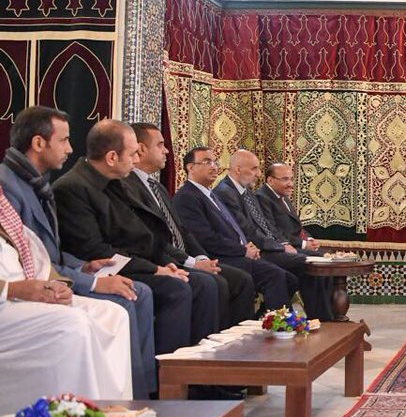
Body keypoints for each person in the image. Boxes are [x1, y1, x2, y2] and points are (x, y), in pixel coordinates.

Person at [0, 106, 157, 398]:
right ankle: (82, 409)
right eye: (64, 140)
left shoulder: (32, 183)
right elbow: (27, 261)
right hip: (20, 289)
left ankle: (123, 401)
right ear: (38, 143)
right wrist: (90, 282)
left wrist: (85, 268)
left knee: (117, 311)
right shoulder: (9, 186)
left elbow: (45, 253)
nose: (71, 149)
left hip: (46, 276)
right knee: (105, 309)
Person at [53, 120, 219, 357]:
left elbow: (143, 234)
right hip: (102, 269)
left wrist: (163, 264)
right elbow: (94, 249)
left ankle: (198, 370)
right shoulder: (72, 188)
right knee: (176, 289)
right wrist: (155, 270)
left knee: (203, 282)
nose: (135, 160)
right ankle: (166, 377)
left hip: (132, 262)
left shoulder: (117, 182)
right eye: (132, 154)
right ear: (112, 157)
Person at [0, 204, 134, 411]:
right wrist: (12, 289)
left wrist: (55, 286)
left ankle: (112, 410)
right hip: (6, 299)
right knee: (72, 324)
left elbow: (33, 257)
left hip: (21, 294)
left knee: (112, 314)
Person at [128, 123, 255, 329]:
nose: (167, 150)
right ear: (141, 149)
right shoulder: (130, 187)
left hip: (184, 257)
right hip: (161, 260)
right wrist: (191, 263)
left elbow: (182, 232)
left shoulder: (157, 187)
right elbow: (152, 237)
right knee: (212, 283)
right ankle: (197, 352)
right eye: (160, 144)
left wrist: (201, 258)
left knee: (237, 279)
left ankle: (228, 344)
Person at [173, 146, 297, 312]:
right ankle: (281, 328)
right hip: (219, 256)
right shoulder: (187, 197)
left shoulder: (211, 195)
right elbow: (205, 238)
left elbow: (234, 228)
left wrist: (247, 246)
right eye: (207, 161)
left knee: (290, 279)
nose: (214, 166)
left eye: (215, 162)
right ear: (190, 167)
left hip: (236, 252)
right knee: (274, 275)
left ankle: (263, 321)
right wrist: (242, 250)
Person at [215, 150, 334, 321]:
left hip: (268, 247)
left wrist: (282, 243)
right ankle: (289, 323)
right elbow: (247, 230)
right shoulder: (226, 192)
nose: (258, 174)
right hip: (255, 251)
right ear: (238, 169)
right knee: (307, 264)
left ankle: (322, 319)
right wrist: (280, 246)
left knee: (310, 267)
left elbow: (265, 225)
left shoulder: (246, 191)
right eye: (254, 169)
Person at [256, 163, 321, 252]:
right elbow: (271, 230)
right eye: (285, 179)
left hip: (295, 245)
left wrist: (309, 239)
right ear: (270, 180)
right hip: (280, 249)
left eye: (291, 179)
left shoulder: (282, 194)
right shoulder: (262, 198)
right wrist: (304, 244)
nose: (290, 184)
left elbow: (295, 227)